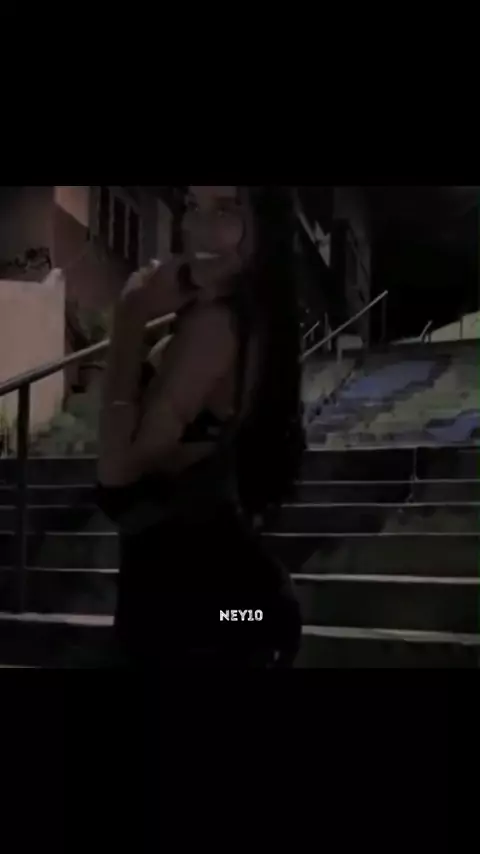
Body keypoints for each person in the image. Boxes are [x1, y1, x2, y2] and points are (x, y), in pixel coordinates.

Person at [95, 186, 305, 668]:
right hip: (227, 602)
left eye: (227, 209)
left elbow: (117, 480)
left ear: (265, 226)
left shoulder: (216, 325)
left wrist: (130, 316)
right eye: (192, 206)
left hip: (196, 605)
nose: (198, 227)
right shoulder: (253, 318)